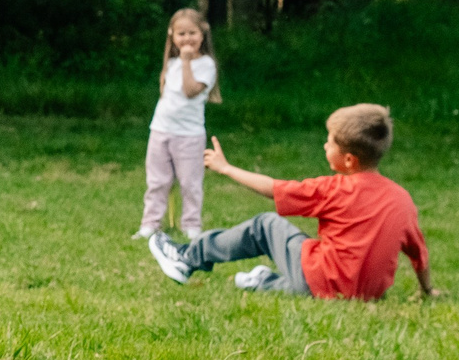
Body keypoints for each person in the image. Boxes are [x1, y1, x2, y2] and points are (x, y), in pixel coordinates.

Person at [147, 102, 435, 300]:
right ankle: (263, 281)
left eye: (330, 141)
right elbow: (418, 254)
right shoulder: (402, 200)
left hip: (319, 282)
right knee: (313, 261)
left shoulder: (335, 189)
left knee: (265, 225)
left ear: (349, 159)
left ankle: (186, 258)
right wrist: (427, 291)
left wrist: (226, 168)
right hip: (365, 296)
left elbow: (274, 190)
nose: (325, 145)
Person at [135, 6, 220, 243]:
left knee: (190, 183)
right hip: (161, 130)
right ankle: (150, 224)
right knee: (157, 181)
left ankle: (192, 224)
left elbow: (190, 91)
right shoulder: (171, 63)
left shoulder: (206, 65)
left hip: (189, 135)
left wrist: (186, 62)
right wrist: (180, 61)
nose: (187, 39)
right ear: (172, 35)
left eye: (192, 33)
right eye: (181, 34)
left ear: (202, 33)